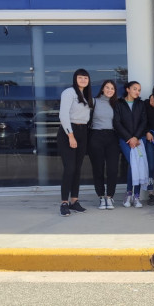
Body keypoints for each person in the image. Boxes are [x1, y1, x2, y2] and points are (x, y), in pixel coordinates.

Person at [57, 68, 92, 217]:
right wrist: (70, 135)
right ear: (75, 79)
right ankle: (64, 202)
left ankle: (74, 201)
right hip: (69, 132)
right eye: (80, 77)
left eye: (85, 78)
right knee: (69, 168)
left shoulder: (87, 95)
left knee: (77, 168)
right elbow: (63, 114)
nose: (83, 80)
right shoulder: (69, 93)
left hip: (83, 131)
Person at [113, 81, 148, 208]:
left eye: (139, 90)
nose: (137, 92)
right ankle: (129, 194)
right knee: (133, 164)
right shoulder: (119, 104)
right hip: (125, 140)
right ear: (128, 89)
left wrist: (136, 137)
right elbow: (117, 123)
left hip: (138, 139)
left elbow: (144, 122)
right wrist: (129, 138)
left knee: (137, 164)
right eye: (135, 89)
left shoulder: (141, 104)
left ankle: (136, 196)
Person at [89, 79, 119, 210]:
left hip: (112, 137)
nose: (110, 90)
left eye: (112, 88)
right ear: (102, 89)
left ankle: (110, 197)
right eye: (107, 87)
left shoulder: (116, 104)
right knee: (98, 169)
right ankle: (101, 197)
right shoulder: (94, 102)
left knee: (112, 169)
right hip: (96, 136)